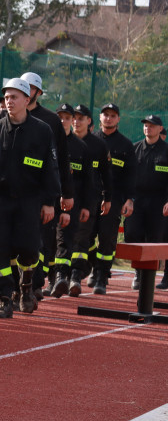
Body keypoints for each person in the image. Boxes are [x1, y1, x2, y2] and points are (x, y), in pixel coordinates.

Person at [0, 78, 60, 319]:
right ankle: (5, 299)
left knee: (29, 249)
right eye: (6, 98)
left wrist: (50, 201)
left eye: (14, 97)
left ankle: (26, 288)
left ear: (27, 100)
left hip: (30, 200)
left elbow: (50, 167)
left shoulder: (42, 130)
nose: (9, 102)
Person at [19, 72, 74, 299]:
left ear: (38, 92)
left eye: (31, 88)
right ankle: (14, 285)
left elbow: (61, 159)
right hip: (12, 189)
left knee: (39, 239)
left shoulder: (51, 120)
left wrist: (66, 193)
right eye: (23, 87)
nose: (27, 91)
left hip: (41, 192)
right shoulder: (10, 114)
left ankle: (34, 283)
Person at [91, 103, 136, 294]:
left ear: (118, 119)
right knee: (84, 238)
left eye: (112, 115)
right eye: (105, 115)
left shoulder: (126, 145)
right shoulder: (90, 140)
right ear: (99, 117)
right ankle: (92, 267)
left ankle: (101, 277)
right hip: (90, 197)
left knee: (107, 239)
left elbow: (131, 176)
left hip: (114, 199)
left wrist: (129, 199)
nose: (108, 118)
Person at [48, 103, 90, 297]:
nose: (64, 121)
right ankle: (47, 280)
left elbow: (89, 181)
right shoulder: (47, 140)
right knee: (46, 241)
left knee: (65, 240)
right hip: (48, 199)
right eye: (60, 117)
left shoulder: (82, 147)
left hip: (72, 202)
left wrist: (86, 206)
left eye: (67, 117)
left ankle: (61, 278)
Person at [70, 104, 111, 296]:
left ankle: (76, 276)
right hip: (63, 197)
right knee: (60, 239)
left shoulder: (98, 145)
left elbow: (106, 174)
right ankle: (58, 276)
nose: (76, 121)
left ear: (89, 122)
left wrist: (107, 197)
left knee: (81, 236)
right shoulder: (63, 141)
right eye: (74, 118)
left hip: (88, 198)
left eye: (81, 118)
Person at [126, 116, 168, 278]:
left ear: (160, 129)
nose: (148, 128)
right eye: (146, 125)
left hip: (159, 201)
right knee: (132, 234)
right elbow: (126, 176)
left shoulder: (166, 151)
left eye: (152, 126)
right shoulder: (134, 149)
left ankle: (146, 276)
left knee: (154, 238)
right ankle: (138, 271)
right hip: (136, 200)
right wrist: (126, 199)